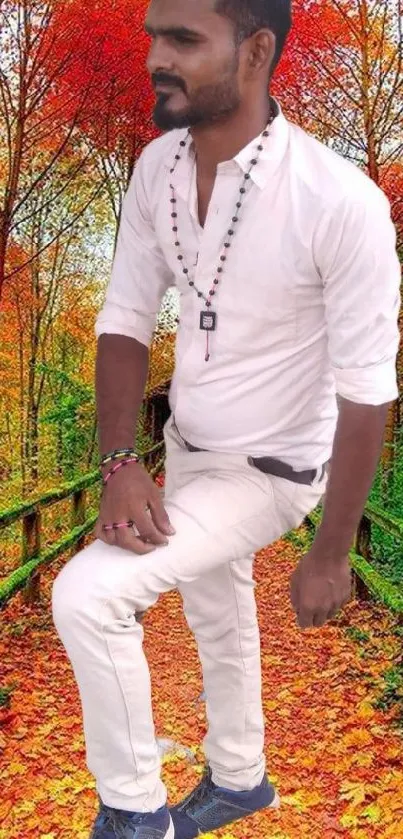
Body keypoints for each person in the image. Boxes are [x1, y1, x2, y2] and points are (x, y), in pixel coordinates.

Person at [51, 0, 401, 836]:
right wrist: (118, 459)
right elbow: (125, 320)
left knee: (88, 594)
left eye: (181, 40)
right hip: (187, 444)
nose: (153, 59)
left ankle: (137, 817)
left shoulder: (337, 201)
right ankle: (241, 777)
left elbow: (366, 389)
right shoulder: (155, 171)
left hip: (272, 468)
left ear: (254, 51)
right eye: (150, 38)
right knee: (216, 612)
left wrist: (331, 549)